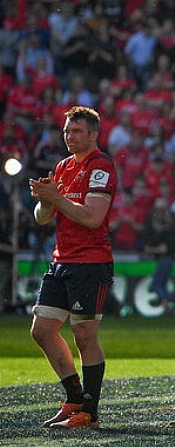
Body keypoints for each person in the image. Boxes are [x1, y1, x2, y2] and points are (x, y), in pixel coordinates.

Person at [28, 106, 117, 429]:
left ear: (93, 134)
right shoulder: (63, 167)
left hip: (90, 263)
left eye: (76, 131)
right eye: (67, 131)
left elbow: (93, 218)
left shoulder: (101, 167)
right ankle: (74, 398)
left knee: (84, 335)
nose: (69, 136)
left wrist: (57, 197)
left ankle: (89, 413)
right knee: (41, 330)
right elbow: (42, 218)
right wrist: (45, 199)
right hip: (61, 260)